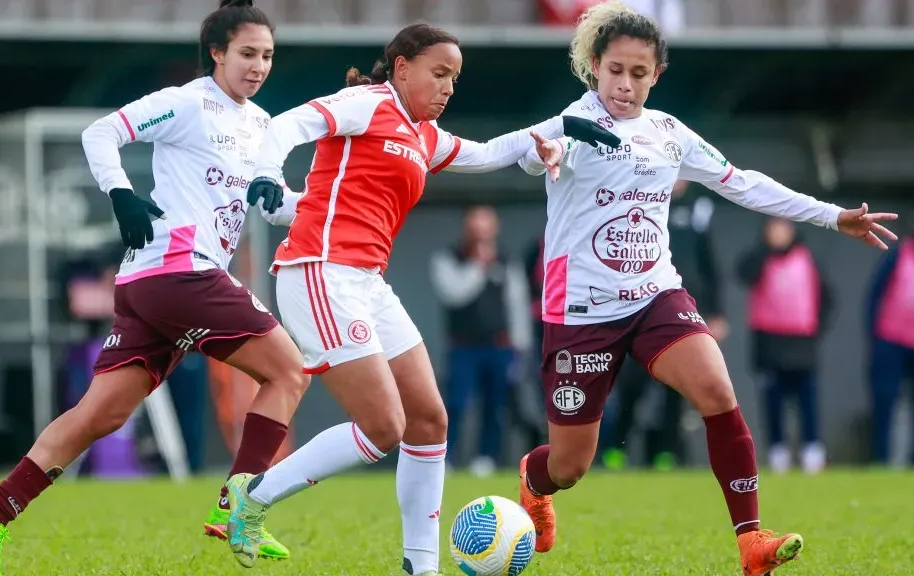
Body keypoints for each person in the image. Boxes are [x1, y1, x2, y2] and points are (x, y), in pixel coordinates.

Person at [219, 22, 620, 575]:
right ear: (402, 67)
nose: (449, 86)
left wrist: (564, 124)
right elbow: (292, 122)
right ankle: (254, 496)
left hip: (366, 282)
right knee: (384, 427)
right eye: (440, 73)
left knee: (429, 419)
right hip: (318, 271)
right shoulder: (367, 103)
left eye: (455, 77)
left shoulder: (423, 136)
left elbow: (487, 153)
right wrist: (266, 171)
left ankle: (420, 566)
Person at [513, 3, 898, 575]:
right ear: (595, 66)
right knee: (570, 465)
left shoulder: (668, 132)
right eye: (615, 70)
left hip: (655, 297)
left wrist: (831, 215)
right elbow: (536, 153)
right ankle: (533, 481)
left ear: (656, 75)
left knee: (718, 392)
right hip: (581, 312)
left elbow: (742, 183)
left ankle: (751, 542)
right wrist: (540, 155)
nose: (625, 83)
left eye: (638, 73)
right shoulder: (573, 122)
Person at [0, 2, 309, 574]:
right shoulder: (186, 102)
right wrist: (119, 191)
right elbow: (103, 133)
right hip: (180, 271)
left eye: (267, 55)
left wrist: (308, 207)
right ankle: (239, 507)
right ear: (217, 53)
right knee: (288, 371)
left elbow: (270, 207)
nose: (259, 65)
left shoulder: (263, 125)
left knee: (100, 415)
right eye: (247, 53)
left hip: (152, 283)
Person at [602, 180, 727, 471]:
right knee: (633, 384)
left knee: (677, 388)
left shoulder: (698, 208)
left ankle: (666, 453)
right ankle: (615, 449)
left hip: (683, 308)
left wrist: (716, 312)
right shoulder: (639, 201)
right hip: (642, 306)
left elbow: (710, 265)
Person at [429, 205, 532, 477]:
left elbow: (517, 304)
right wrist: (478, 266)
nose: (481, 234)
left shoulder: (507, 260)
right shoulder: (448, 258)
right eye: (475, 227)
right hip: (463, 346)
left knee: (495, 406)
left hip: (500, 347)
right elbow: (454, 294)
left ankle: (486, 458)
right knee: (457, 404)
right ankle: (446, 458)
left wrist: (520, 347)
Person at [737, 217, 833, 474]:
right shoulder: (760, 258)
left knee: (808, 400)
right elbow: (743, 273)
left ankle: (812, 451)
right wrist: (763, 249)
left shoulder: (808, 259)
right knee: (773, 401)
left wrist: (815, 328)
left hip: (802, 344)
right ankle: (778, 451)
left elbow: (828, 298)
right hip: (770, 344)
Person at [866, 209, 914, 466]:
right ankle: (881, 459)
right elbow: (874, 295)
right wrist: (874, 337)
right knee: (885, 401)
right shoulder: (901, 252)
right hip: (891, 341)